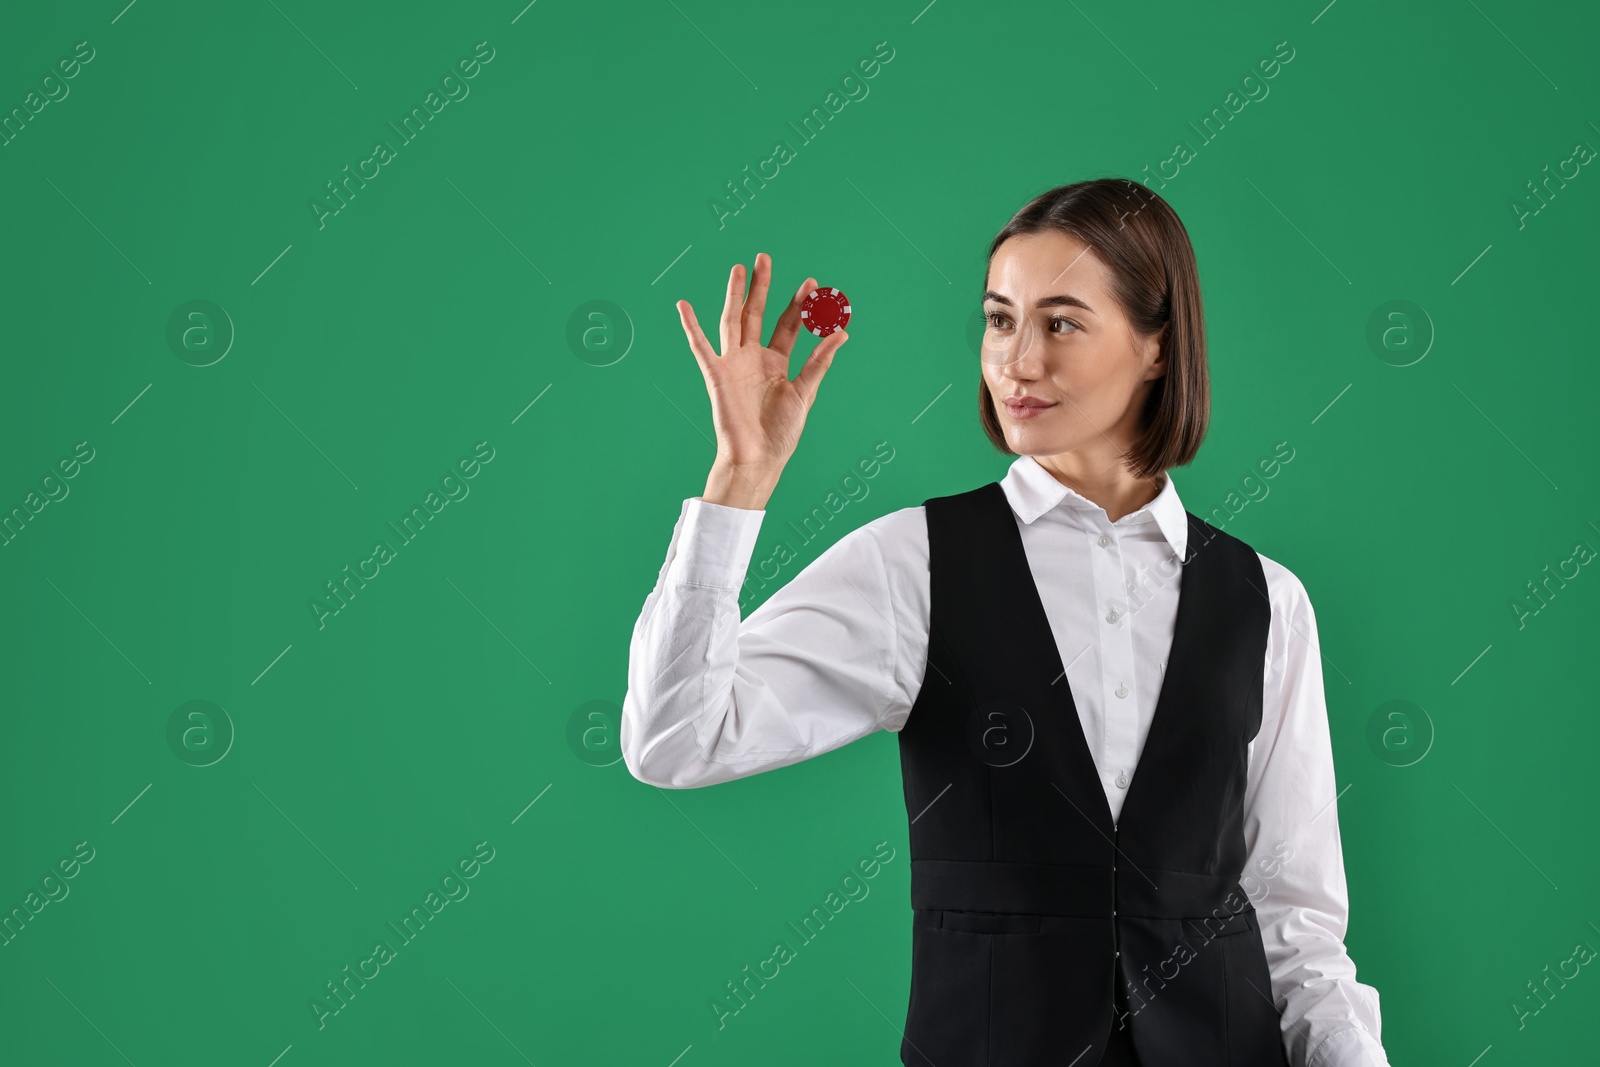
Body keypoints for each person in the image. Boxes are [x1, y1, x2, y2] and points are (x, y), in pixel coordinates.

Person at [622, 178, 1392, 1067]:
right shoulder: (912, 563)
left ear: (1157, 345)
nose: (1018, 361)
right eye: (999, 319)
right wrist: (739, 481)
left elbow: (1296, 921)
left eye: (1061, 323)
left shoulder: (1267, 598)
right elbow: (675, 740)